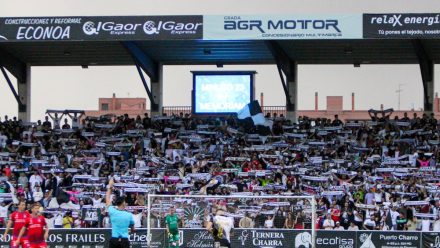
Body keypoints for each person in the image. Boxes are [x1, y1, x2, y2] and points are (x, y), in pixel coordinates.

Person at [106, 178, 135, 248]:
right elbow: (133, 229)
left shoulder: (112, 211)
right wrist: (127, 232)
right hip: (124, 240)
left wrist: (109, 187)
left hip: (114, 240)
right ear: (123, 203)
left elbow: (107, 198)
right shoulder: (129, 215)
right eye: (124, 201)